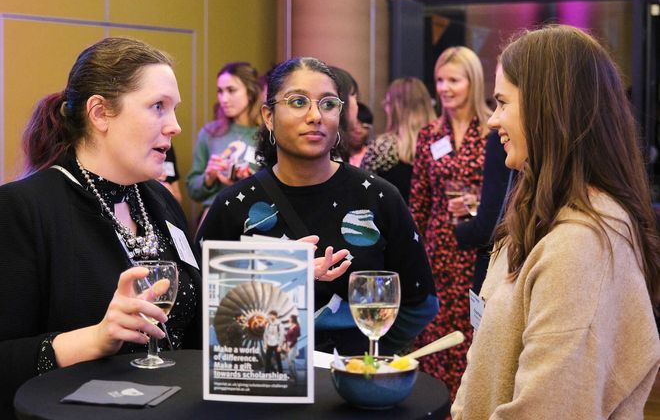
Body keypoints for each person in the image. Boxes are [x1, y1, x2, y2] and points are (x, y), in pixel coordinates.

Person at [452, 25, 660, 419]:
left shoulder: (581, 245)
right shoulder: (539, 214)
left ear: (548, 107)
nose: (493, 121)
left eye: (502, 102)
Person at [0, 37, 202, 417]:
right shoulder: (22, 209)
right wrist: (96, 338)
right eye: (158, 107)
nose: (175, 126)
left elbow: (194, 329)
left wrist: (266, 284)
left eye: (174, 109)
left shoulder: (162, 203)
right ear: (99, 112)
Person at [197, 57, 438, 356]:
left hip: (355, 379)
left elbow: (420, 300)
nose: (315, 116)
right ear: (269, 116)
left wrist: (371, 349)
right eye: (298, 102)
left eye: (328, 104)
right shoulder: (235, 206)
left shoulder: (378, 198)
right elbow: (204, 307)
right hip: (268, 378)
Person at [409, 46, 491, 398]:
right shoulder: (429, 135)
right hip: (438, 253)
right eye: (440, 80)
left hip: (478, 250)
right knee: (436, 336)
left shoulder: (492, 133)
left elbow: (510, 194)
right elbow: (419, 200)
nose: (444, 88)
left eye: (453, 80)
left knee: (476, 336)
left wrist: (477, 203)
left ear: (472, 82)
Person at [186, 62, 263, 224]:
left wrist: (251, 180)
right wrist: (209, 177)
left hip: (255, 217)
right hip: (216, 215)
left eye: (231, 90)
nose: (224, 99)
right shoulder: (210, 133)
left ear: (250, 92)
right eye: (220, 91)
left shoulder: (268, 134)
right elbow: (192, 189)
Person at [450, 129, 513, 294]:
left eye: (503, 104)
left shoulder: (499, 138)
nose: (493, 120)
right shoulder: (430, 133)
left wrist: (460, 230)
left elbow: (492, 222)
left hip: (493, 257)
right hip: (444, 251)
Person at [361, 77, 436, 203]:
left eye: (388, 103)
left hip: (391, 221)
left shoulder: (383, 148)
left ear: (395, 108)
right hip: (435, 221)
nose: (384, 107)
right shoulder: (440, 144)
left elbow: (361, 190)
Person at [346, 102, 373, 167]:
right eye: (355, 125)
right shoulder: (334, 156)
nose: (359, 131)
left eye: (365, 127)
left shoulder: (373, 157)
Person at [284, 314, 301, 380]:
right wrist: (285, 345)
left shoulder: (296, 327)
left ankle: (294, 376)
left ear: (293, 319)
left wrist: (289, 347)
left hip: (293, 345)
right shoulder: (290, 326)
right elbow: (287, 336)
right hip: (288, 344)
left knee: (291, 361)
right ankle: (292, 375)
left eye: (290, 318)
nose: (289, 319)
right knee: (289, 361)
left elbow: (295, 339)